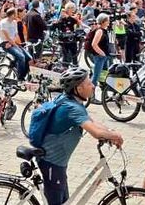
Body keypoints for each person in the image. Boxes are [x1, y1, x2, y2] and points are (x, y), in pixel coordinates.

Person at [36, 67, 124, 204]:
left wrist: (110, 133)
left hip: (57, 162)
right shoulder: (72, 108)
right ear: (78, 89)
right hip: (51, 162)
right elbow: (96, 132)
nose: (93, 86)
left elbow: (92, 122)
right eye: (89, 83)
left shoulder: (70, 101)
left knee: (65, 201)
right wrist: (115, 135)